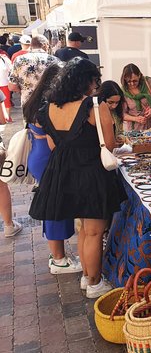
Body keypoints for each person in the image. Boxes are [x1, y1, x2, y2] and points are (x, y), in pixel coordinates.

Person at [29, 57, 127, 298]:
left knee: (85, 229)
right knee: (94, 231)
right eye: (95, 81)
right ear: (87, 81)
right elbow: (110, 143)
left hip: (63, 172)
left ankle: (87, 276)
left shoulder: (50, 106)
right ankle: (94, 283)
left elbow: (53, 144)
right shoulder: (94, 105)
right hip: (90, 171)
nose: (96, 86)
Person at [23, 63, 83, 274]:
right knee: (57, 207)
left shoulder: (33, 102)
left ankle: (57, 254)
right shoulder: (48, 105)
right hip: (49, 159)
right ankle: (59, 259)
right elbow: (55, 142)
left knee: (52, 205)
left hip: (38, 157)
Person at [8, 34, 59, 106]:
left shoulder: (19, 60)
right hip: (48, 103)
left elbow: (12, 86)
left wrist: (23, 91)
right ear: (45, 45)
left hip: (28, 102)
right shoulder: (54, 60)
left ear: (31, 45)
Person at [120, 64, 151, 131]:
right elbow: (121, 113)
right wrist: (136, 119)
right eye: (129, 81)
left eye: (135, 81)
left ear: (139, 76)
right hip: (134, 131)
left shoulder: (148, 82)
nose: (132, 84)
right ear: (125, 79)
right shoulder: (123, 91)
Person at [0, 50, 11, 122]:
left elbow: (11, 70)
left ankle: (7, 117)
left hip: (4, 83)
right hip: (4, 83)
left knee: (6, 101)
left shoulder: (5, 58)